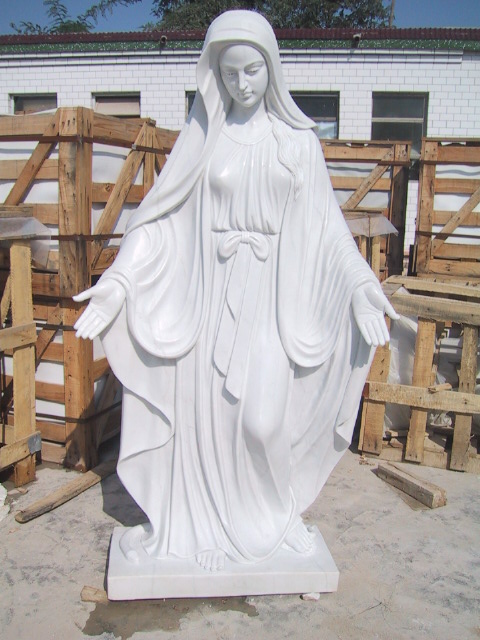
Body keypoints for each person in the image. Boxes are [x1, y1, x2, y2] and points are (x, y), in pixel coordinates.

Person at [74, 10, 398, 572]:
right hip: (208, 300)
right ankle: (202, 529)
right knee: (208, 423)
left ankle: (278, 517)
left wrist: (360, 286)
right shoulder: (204, 139)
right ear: (215, 77)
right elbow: (160, 224)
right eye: (229, 74)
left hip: (269, 303)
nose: (242, 84)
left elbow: (328, 233)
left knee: (262, 422)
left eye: (252, 71)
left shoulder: (297, 143)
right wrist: (118, 283)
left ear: (271, 69)